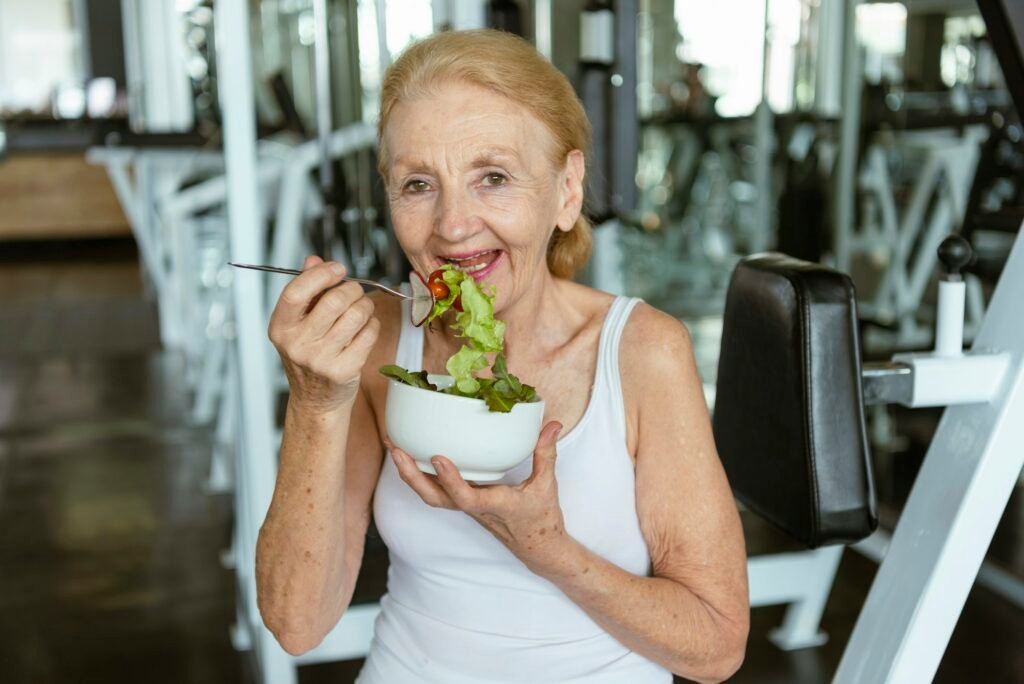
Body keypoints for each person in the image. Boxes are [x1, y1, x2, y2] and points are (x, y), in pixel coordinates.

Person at [255, 29, 749, 684]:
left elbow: (715, 646)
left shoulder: (641, 351)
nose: (453, 227)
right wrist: (316, 402)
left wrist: (545, 547)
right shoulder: (373, 340)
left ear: (566, 190)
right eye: (417, 184)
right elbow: (296, 622)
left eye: (493, 178)